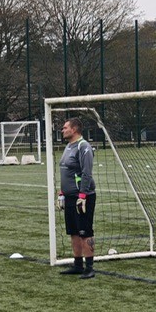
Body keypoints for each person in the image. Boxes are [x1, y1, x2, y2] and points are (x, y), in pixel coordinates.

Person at [57, 117, 96, 279]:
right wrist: (62, 192)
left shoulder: (83, 146)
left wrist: (82, 195)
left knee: (84, 231)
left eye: (65, 128)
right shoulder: (68, 146)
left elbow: (86, 173)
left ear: (74, 130)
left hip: (82, 197)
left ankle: (89, 267)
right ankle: (78, 265)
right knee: (73, 231)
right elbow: (67, 172)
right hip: (69, 197)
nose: (62, 130)